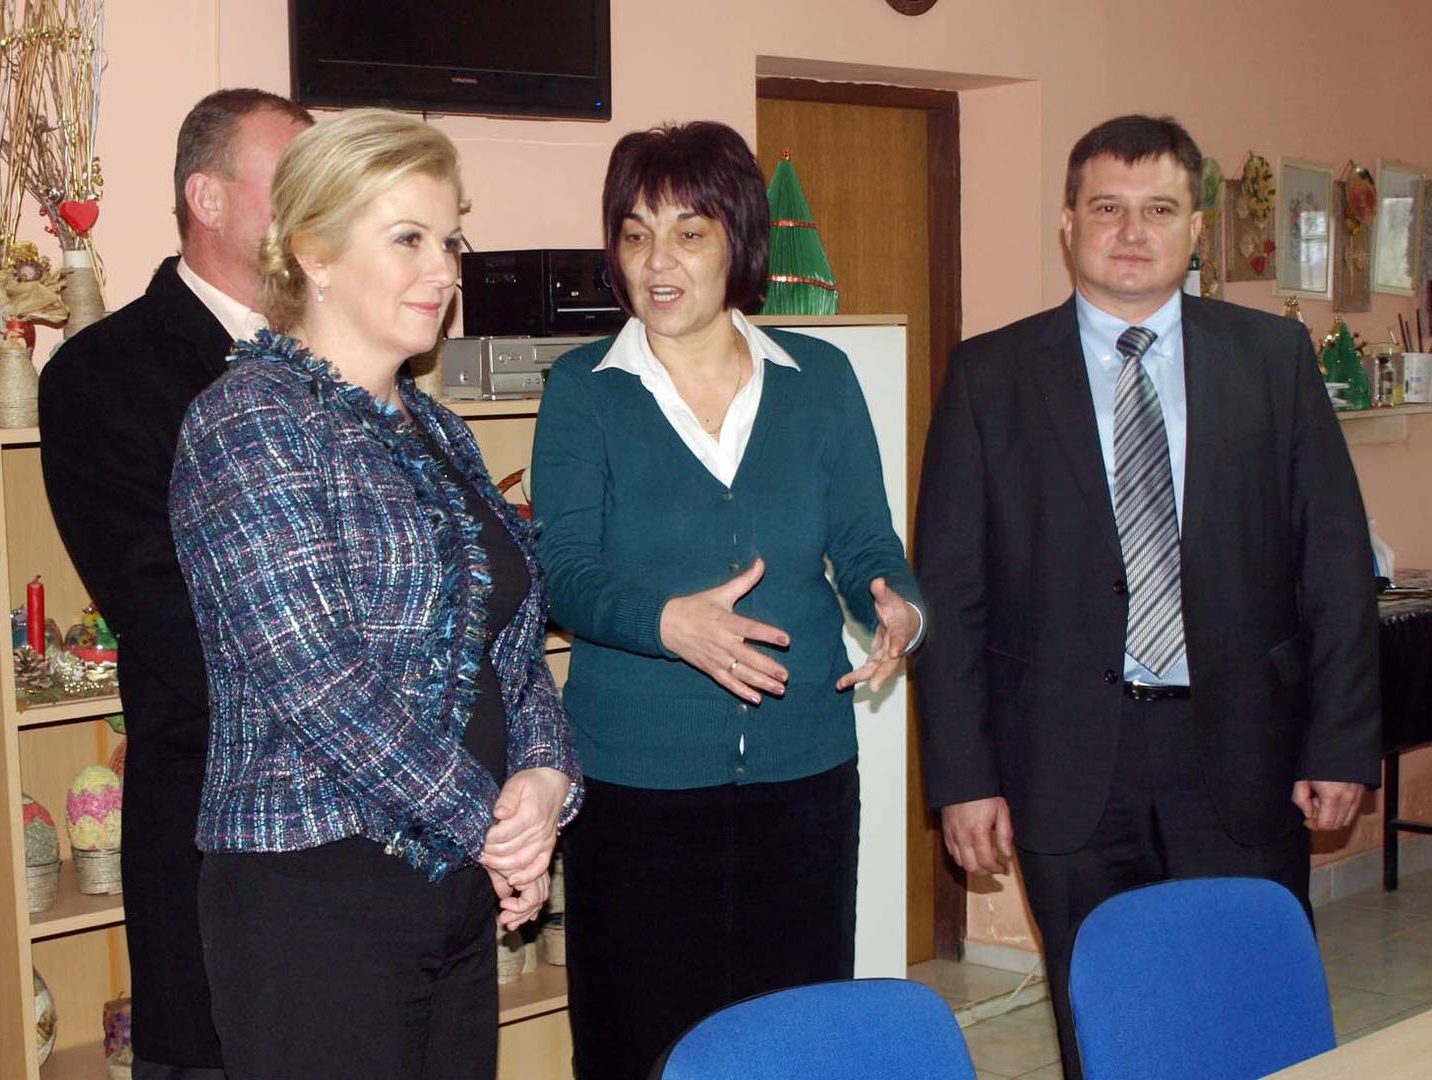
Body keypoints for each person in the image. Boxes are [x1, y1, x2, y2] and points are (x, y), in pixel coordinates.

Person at [915, 114, 1381, 1078]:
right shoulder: (991, 376)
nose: (1133, 232)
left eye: (1160, 210)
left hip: (1245, 754)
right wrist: (962, 776)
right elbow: (952, 596)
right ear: (1068, 225)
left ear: (1196, 228)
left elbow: (1335, 565)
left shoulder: (1272, 360)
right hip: (1065, 763)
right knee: (1107, 1025)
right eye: (1108, 209)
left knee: (1247, 1016)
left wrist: (1339, 741)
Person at [167, 108, 582, 1079]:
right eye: (408, 239)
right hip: (313, 899)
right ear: (312, 251)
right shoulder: (247, 420)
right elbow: (316, 681)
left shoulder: (440, 428)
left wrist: (544, 783)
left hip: (454, 889)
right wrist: (493, 824)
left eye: (451, 241)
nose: (444, 270)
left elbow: (512, 648)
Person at [531, 120, 924, 1080]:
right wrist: (669, 623)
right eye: (635, 234)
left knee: (797, 1042)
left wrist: (898, 605)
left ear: (738, 241)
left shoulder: (820, 380)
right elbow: (562, 570)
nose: (656, 262)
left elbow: (866, 541)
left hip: (804, 774)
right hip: (636, 787)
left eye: (688, 233)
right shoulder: (584, 390)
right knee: (641, 1045)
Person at [40, 87, 311, 1079]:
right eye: (293, 183)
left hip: (371, 859)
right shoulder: (103, 375)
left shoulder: (346, 360)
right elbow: (177, 618)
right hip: (218, 824)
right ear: (207, 196)